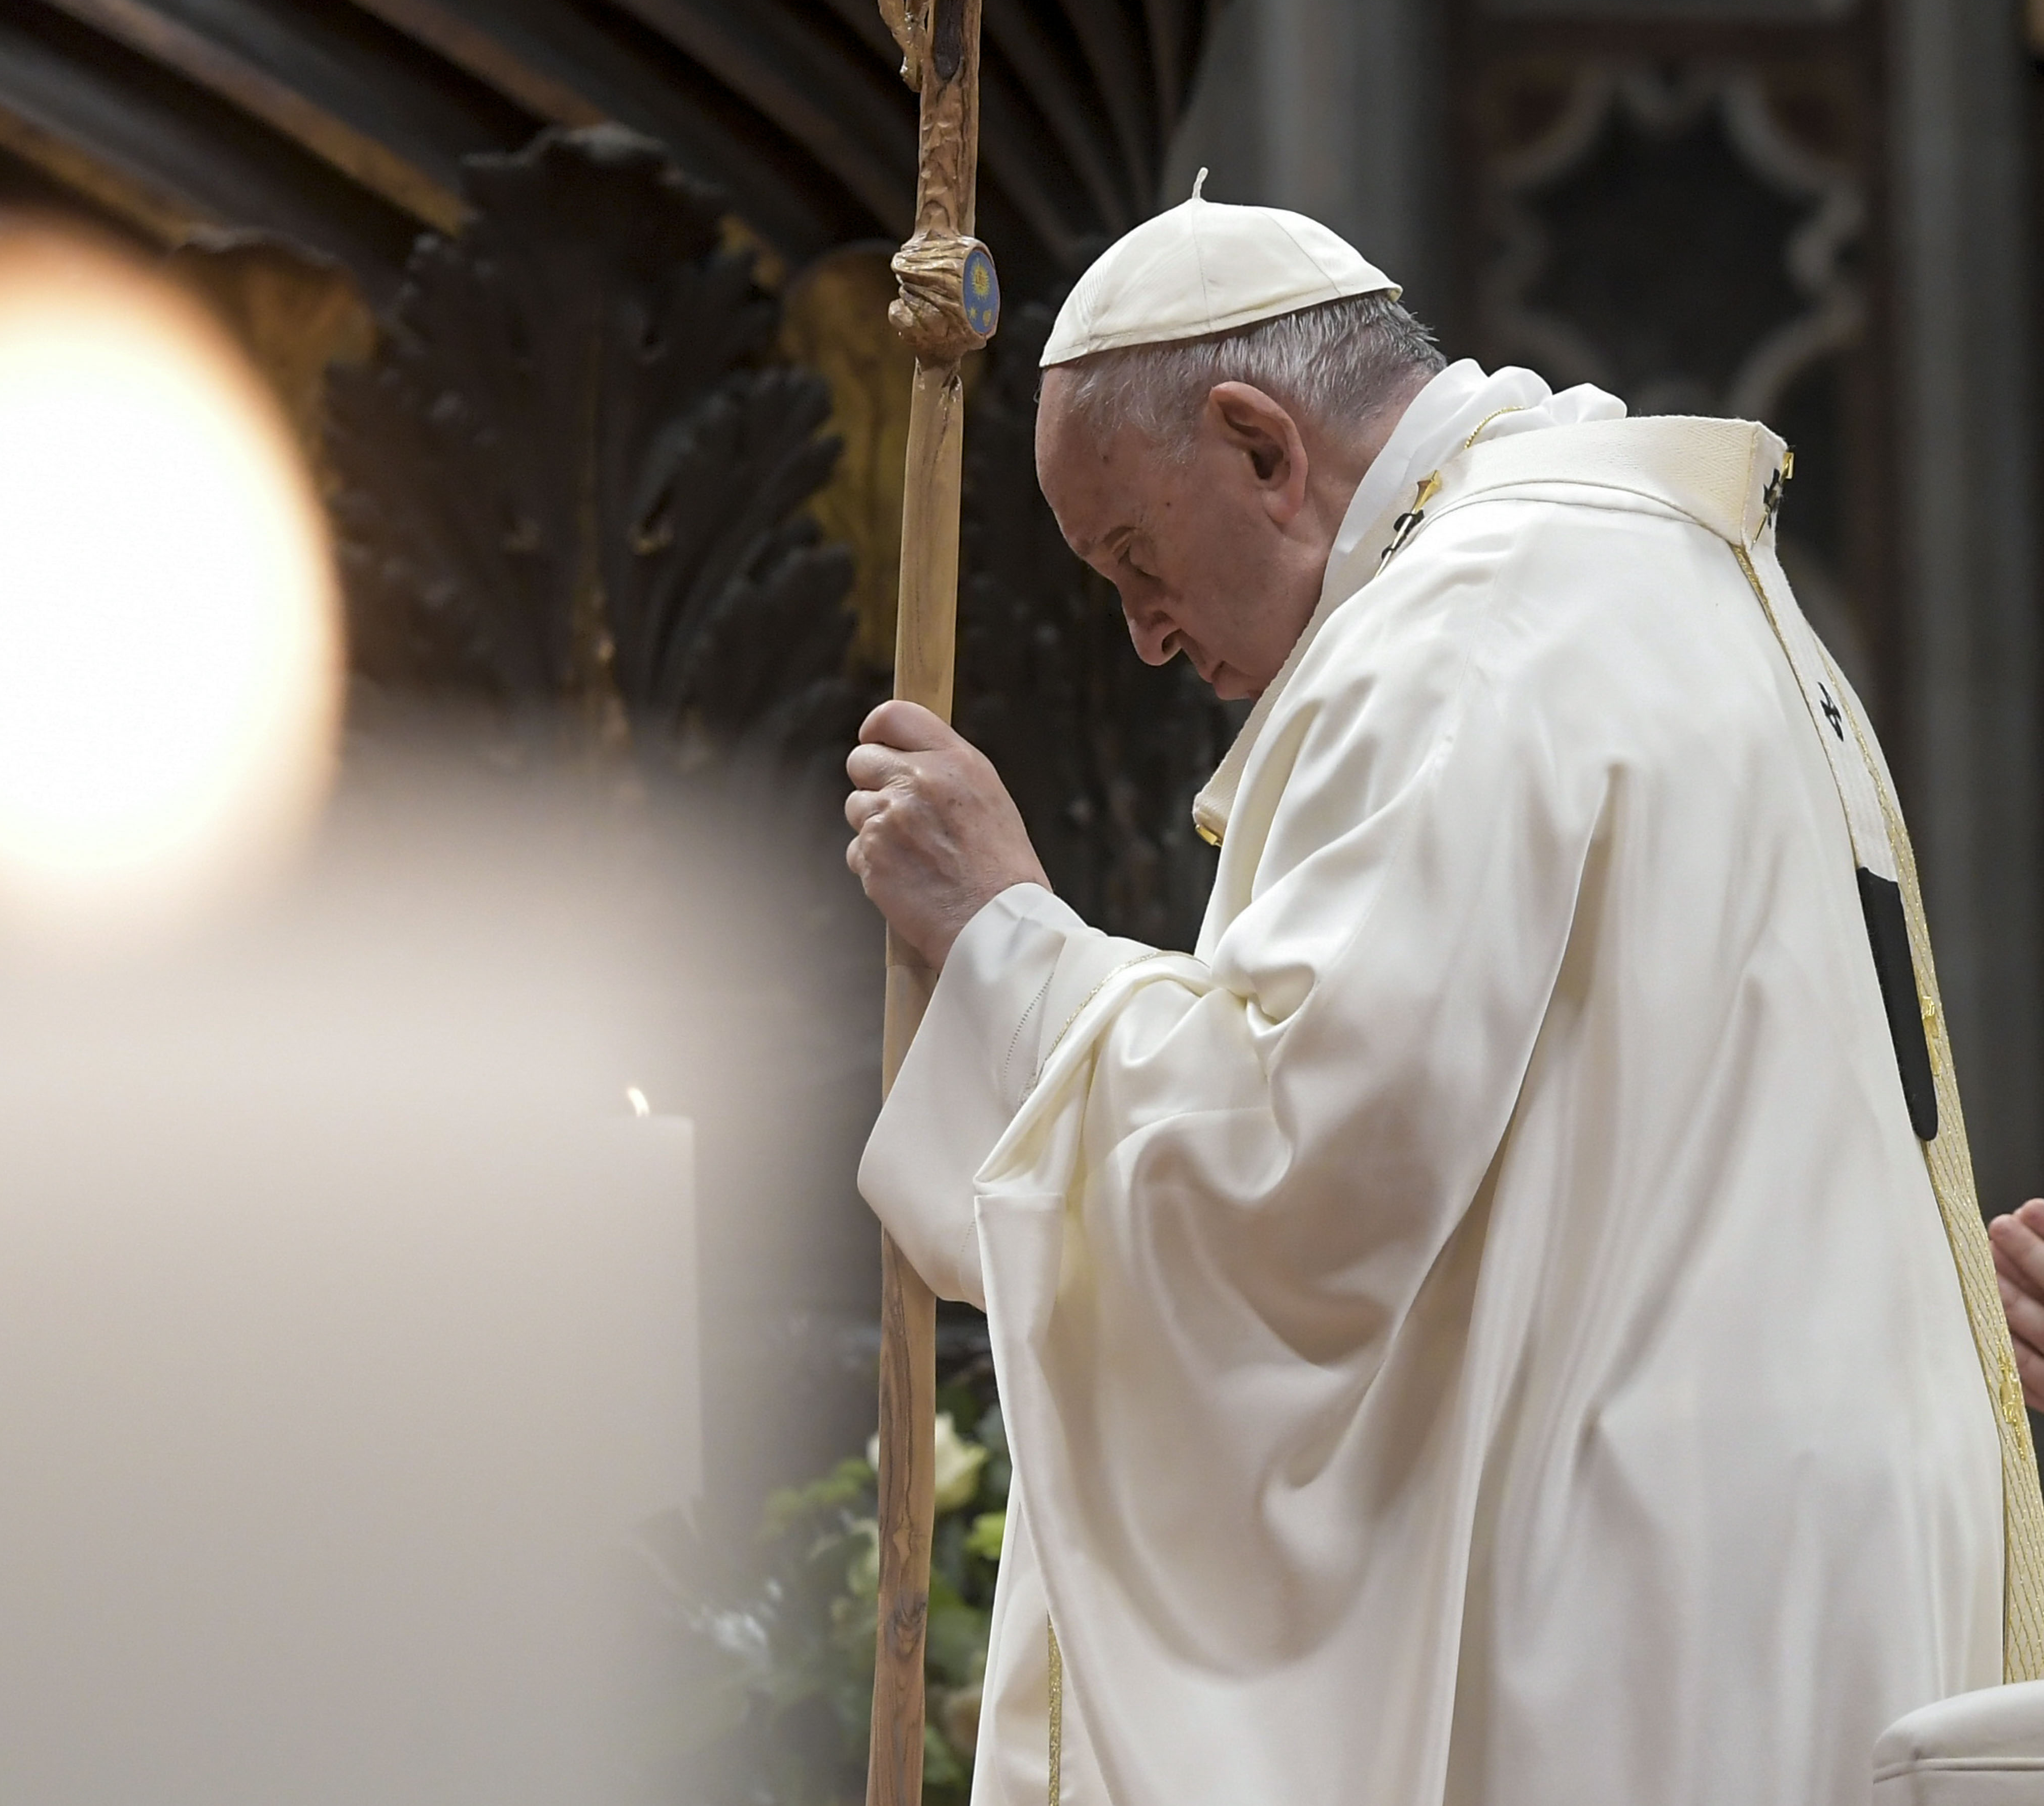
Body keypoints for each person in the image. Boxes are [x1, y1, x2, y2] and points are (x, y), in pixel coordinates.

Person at [843, 183, 2032, 1806]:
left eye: (1134, 557)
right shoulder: (1651, 568)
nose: (1145, 633)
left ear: (1262, 446)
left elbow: (1306, 1167)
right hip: (1806, 1529)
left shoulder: (1469, 630)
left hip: (1637, 1574)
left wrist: (1004, 935)